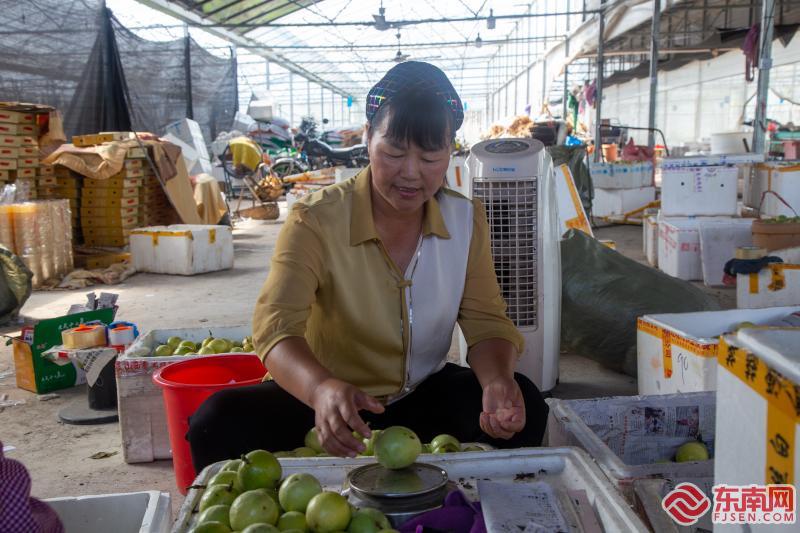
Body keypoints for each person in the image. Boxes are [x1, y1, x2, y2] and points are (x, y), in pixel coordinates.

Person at [188, 62, 548, 470]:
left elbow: (486, 323)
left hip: (421, 396)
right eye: (394, 152)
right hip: (329, 402)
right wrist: (321, 388)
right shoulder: (316, 220)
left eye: (430, 156)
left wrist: (496, 381)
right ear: (367, 138)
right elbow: (275, 329)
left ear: (451, 151)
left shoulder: (465, 220)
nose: (411, 173)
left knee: (526, 405)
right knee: (215, 423)